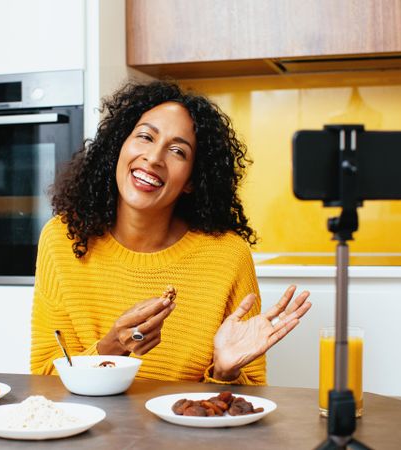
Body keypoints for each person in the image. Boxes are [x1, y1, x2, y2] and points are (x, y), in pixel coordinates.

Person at [30, 80, 311, 385]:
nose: (153, 157)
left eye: (177, 151)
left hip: (186, 433)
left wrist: (225, 372)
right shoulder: (64, 238)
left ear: (192, 179)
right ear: (118, 148)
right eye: (145, 137)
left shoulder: (228, 257)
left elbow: (250, 395)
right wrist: (113, 347)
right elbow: (45, 379)